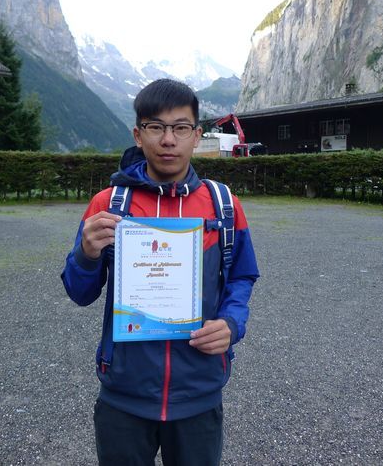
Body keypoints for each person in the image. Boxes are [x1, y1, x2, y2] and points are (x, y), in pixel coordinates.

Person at [61, 78, 260, 465]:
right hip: (124, 396)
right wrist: (86, 254)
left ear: (196, 135)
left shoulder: (223, 205)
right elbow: (80, 293)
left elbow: (241, 276)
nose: (168, 140)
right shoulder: (108, 205)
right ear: (138, 135)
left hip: (198, 393)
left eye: (181, 127)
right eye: (156, 127)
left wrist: (232, 324)